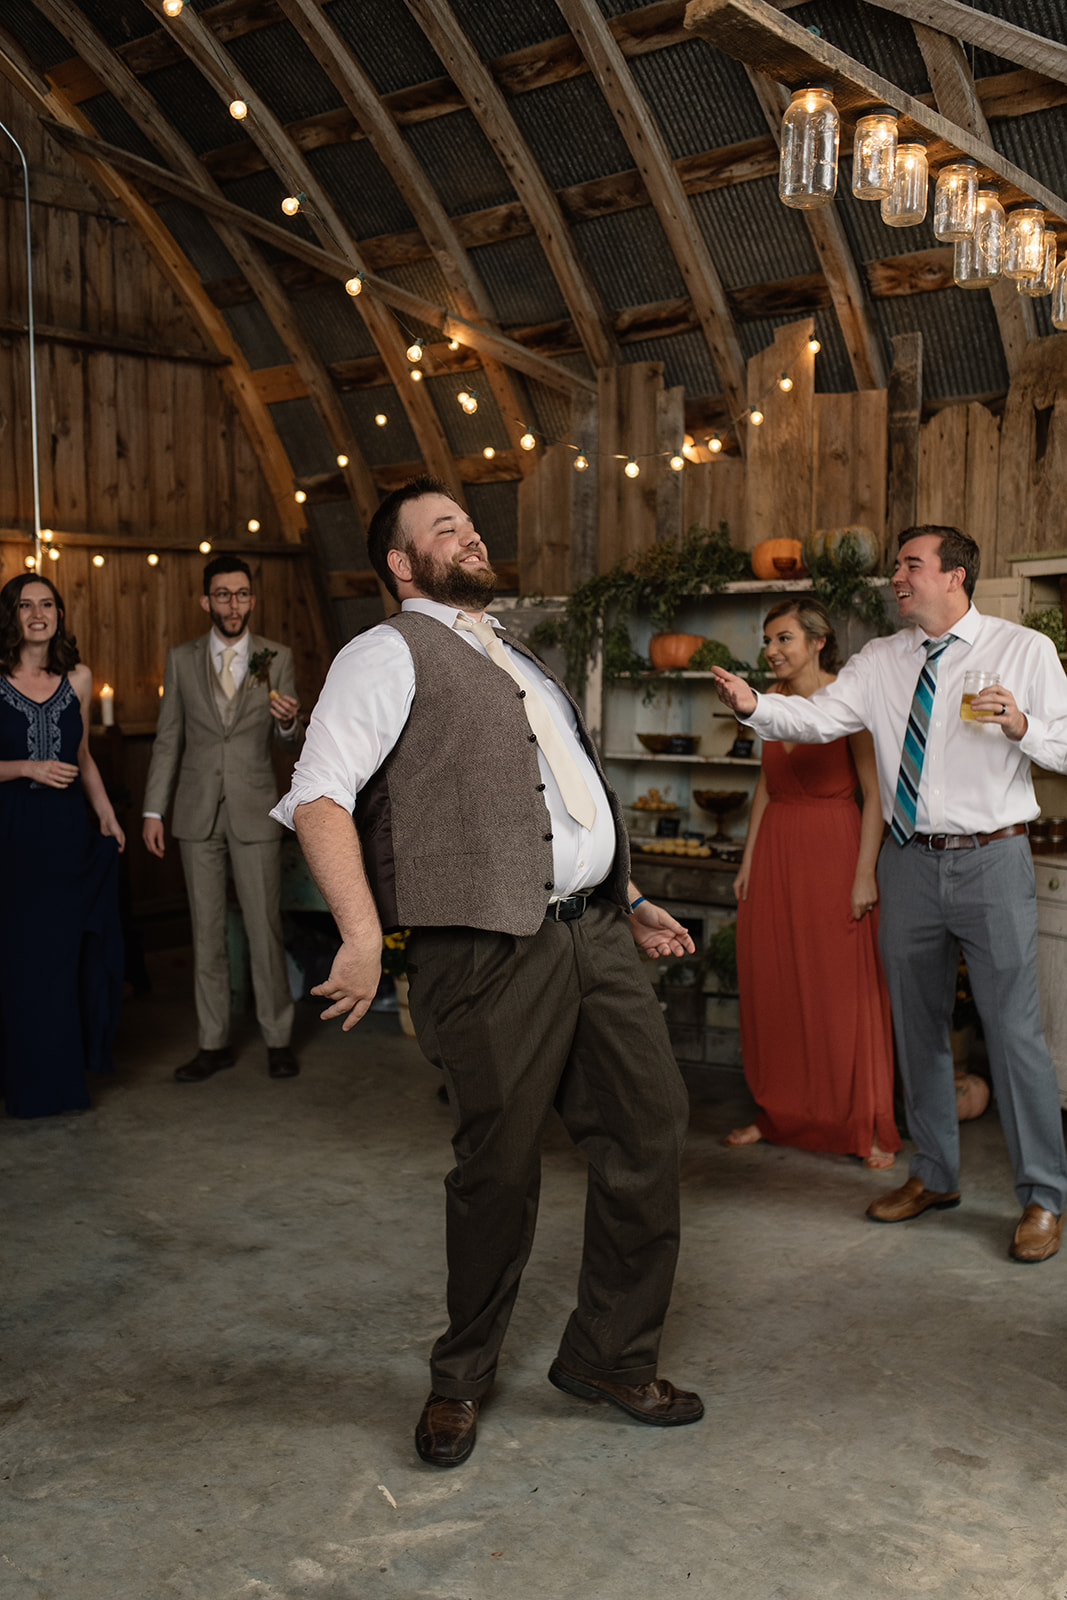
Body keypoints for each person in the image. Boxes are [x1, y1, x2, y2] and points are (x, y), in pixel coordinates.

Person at [273, 475, 704, 1468]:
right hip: (484, 946)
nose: (467, 535)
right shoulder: (383, 653)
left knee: (647, 1126)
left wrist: (628, 898)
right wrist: (357, 932)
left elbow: (564, 790)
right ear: (398, 561)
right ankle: (460, 1375)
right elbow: (319, 798)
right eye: (442, 528)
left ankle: (608, 1353)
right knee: (498, 1170)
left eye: (469, 523)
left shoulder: (516, 652)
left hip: (590, 930)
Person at [712, 525, 1067, 1264]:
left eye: (910, 565)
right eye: (897, 567)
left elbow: (1066, 743)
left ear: (954, 575)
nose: (896, 578)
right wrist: (754, 706)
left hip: (991, 860)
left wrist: (1022, 724)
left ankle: (1041, 1197)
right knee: (917, 1029)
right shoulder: (881, 659)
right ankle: (933, 1175)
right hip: (907, 862)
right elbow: (815, 720)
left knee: (1013, 1035)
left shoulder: (1021, 649)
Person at [727, 597, 900, 1168]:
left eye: (785, 640)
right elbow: (765, 784)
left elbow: (874, 796)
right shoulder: (768, 703)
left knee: (841, 990)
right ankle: (778, 1112)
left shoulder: (848, 701)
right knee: (776, 985)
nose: (772, 651)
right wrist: (750, 859)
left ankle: (863, 1122)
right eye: (768, 640)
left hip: (835, 849)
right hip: (778, 850)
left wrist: (864, 874)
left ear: (818, 641)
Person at [142, 556, 302, 1082]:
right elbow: (169, 739)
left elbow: (290, 743)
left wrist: (288, 724)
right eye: (222, 594)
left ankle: (278, 1036)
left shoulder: (276, 657)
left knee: (264, 928)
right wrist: (153, 810)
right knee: (206, 933)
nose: (232, 604)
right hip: (194, 813)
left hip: (255, 809)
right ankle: (212, 1042)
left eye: (241, 594)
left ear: (251, 600)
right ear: (205, 601)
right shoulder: (181, 659)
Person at [0, 573, 124, 1117]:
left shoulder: (77, 677)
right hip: (11, 835)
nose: (37, 614)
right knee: (19, 960)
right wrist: (26, 766)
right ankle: (22, 1085)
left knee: (63, 959)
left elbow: (83, 755)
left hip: (67, 836)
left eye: (46, 604)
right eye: (25, 605)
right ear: (11, 616)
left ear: (58, 614)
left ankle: (62, 1085)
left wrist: (105, 813)